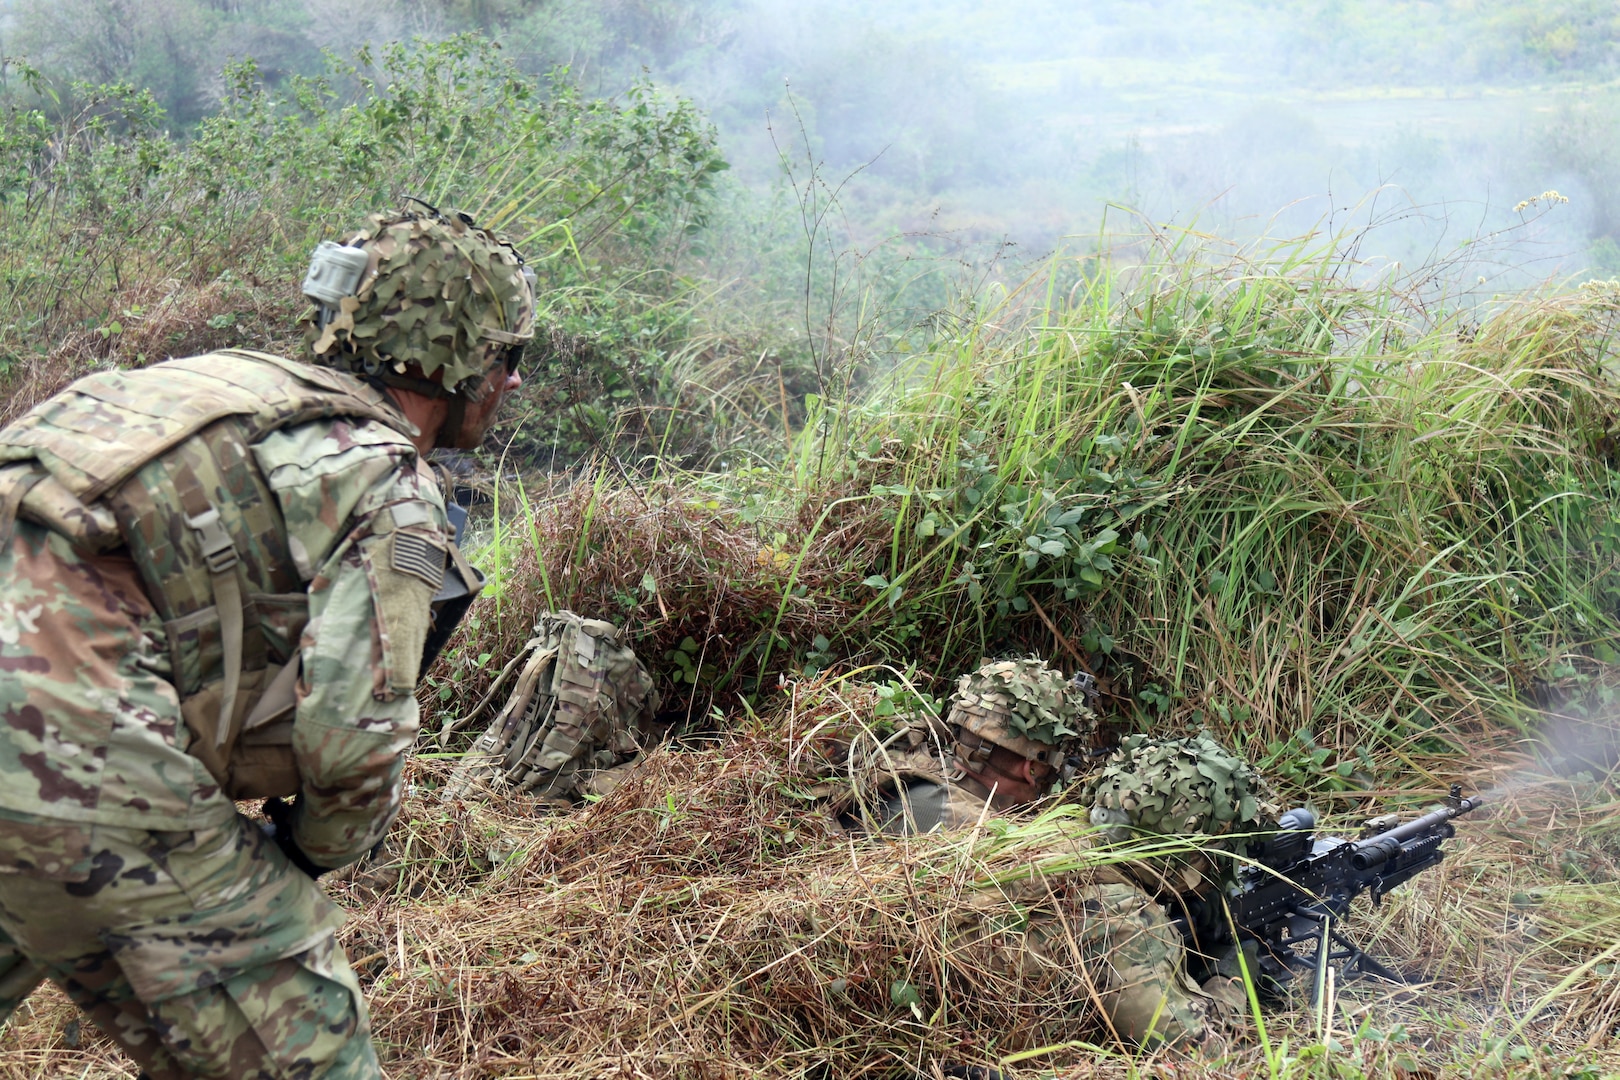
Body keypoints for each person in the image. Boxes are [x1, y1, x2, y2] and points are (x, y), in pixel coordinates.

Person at [0, 206, 534, 1077]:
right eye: (508, 356)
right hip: (64, 745)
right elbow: (354, 737)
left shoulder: (203, 388)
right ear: (458, 357)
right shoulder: (385, 477)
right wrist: (310, 851)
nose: (513, 382)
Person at [837, 660, 1255, 1053]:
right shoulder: (974, 838)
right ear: (1032, 770)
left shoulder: (901, 773)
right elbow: (1195, 1052)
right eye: (1057, 768)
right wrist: (1232, 979)